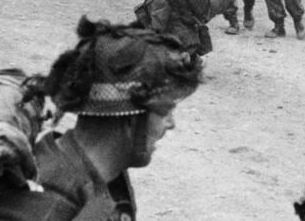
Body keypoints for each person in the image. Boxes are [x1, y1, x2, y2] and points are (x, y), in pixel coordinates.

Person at [16, 16, 201, 220]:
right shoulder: (51, 201)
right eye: (166, 111)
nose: (170, 124)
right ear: (129, 119)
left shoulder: (98, 176)